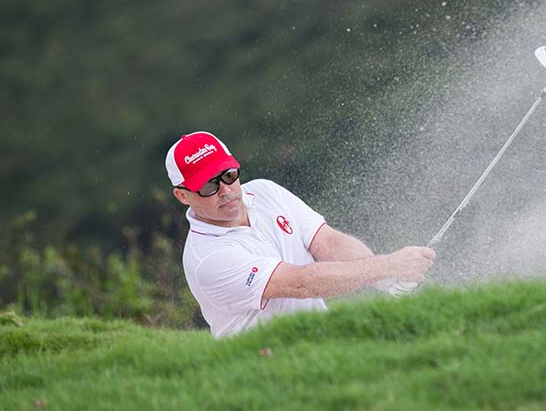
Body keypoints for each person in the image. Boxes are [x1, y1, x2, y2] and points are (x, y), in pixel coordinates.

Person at [165, 130, 434, 338]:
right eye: (209, 185)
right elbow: (301, 284)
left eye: (229, 175)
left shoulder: (265, 191)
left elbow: (327, 242)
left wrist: (386, 279)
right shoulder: (208, 258)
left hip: (320, 345)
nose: (225, 190)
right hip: (263, 368)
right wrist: (386, 266)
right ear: (182, 195)